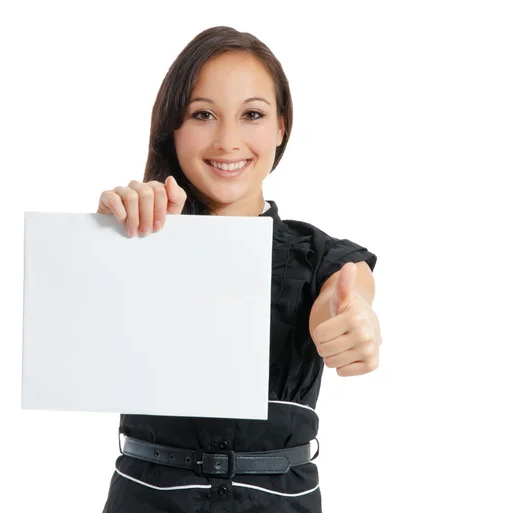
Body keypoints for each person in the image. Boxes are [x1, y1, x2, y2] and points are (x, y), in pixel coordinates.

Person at [97, 25, 381, 513]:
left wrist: (352, 320)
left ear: (281, 128)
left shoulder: (316, 255)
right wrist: (105, 240)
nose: (229, 141)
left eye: (252, 114)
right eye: (203, 114)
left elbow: (347, 292)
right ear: (173, 126)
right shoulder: (133, 242)